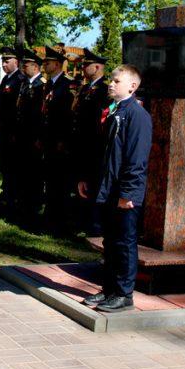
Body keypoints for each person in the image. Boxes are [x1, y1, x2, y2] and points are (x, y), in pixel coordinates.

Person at [79, 65, 152, 313]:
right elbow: (102, 153)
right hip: (108, 188)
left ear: (133, 86)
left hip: (124, 194)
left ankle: (123, 293)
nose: (111, 84)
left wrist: (128, 194)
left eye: (117, 81)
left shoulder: (137, 115)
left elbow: (137, 158)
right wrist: (88, 178)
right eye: (111, 80)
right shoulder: (114, 111)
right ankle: (109, 289)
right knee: (110, 242)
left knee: (124, 243)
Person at [72, 49, 110, 235]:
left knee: (93, 184)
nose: (83, 68)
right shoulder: (86, 88)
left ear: (97, 67)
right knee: (81, 182)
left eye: (86, 65)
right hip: (81, 143)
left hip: (94, 145)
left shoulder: (104, 90)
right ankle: (82, 220)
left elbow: (100, 121)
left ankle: (94, 225)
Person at [41, 45, 75, 230]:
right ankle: (50, 213)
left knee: (59, 180)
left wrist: (63, 140)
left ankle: (58, 218)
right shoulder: (49, 84)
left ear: (57, 64)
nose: (44, 65)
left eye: (48, 62)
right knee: (50, 177)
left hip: (59, 140)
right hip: (48, 138)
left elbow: (67, 116)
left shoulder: (67, 85)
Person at [15, 49, 46, 222]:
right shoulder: (25, 83)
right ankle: (24, 201)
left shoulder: (41, 85)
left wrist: (38, 137)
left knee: (34, 171)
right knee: (24, 169)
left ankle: (33, 203)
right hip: (23, 134)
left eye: (26, 65)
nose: (23, 67)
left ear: (35, 66)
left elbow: (40, 115)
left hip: (33, 135)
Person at [0, 47, 25, 209]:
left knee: (12, 162)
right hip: (4, 127)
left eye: (7, 61)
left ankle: (12, 192)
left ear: (16, 62)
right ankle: (6, 189)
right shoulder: (6, 79)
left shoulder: (19, 80)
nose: (3, 64)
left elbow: (17, 109)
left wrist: (14, 130)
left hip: (12, 129)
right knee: (4, 161)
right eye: (2, 61)